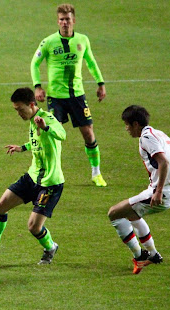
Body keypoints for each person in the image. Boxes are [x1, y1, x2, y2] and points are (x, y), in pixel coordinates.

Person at [0, 87, 65, 264]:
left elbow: (62, 134)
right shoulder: (32, 120)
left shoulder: (47, 119)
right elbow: (36, 142)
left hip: (50, 183)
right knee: (0, 206)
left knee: (34, 227)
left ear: (31, 105)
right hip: (32, 177)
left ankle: (50, 247)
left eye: (20, 109)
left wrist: (46, 128)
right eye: (16, 110)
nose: (19, 113)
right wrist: (23, 147)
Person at [31, 4, 107, 187]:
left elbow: (91, 62)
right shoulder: (48, 42)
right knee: (52, 135)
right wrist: (38, 87)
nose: (65, 22)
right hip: (55, 97)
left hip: (77, 95)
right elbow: (34, 63)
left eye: (68, 19)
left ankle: (96, 173)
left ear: (74, 20)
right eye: (62, 20)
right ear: (58, 21)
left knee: (88, 133)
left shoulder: (83, 40)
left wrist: (100, 83)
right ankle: (50, 172)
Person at [108, 106, 170, 274]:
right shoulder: (160, 134)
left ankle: (140, 256)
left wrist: (159, 190)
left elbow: (164, 162)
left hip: (161, 192)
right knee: (131, 213)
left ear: (136, 124)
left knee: (114, 213)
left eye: (127, 125)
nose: (126, 128)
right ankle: (152, 254)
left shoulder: (146, 138)